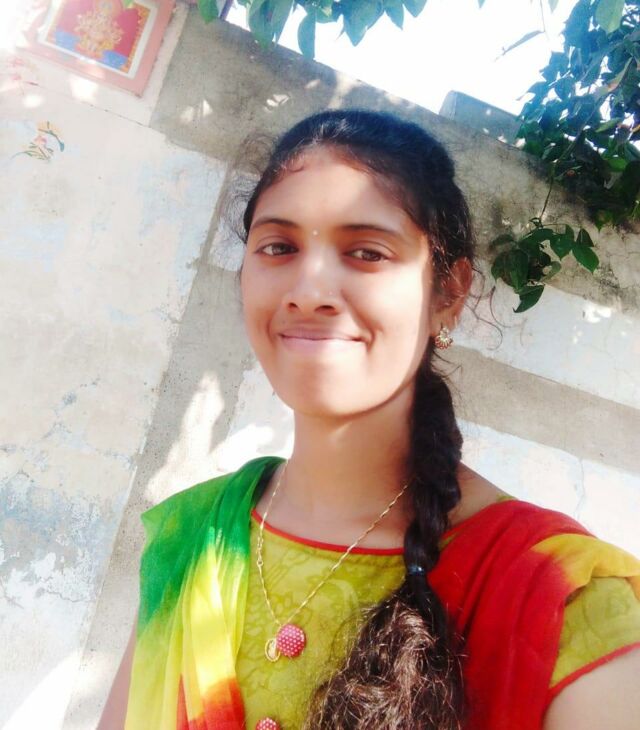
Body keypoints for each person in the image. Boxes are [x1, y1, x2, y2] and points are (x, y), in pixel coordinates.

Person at [101, 109, 640, 730]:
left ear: (448, 294)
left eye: (367, 252)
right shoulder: (193, 539)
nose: (308, 290)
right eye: (279, 247)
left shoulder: (558, 598)